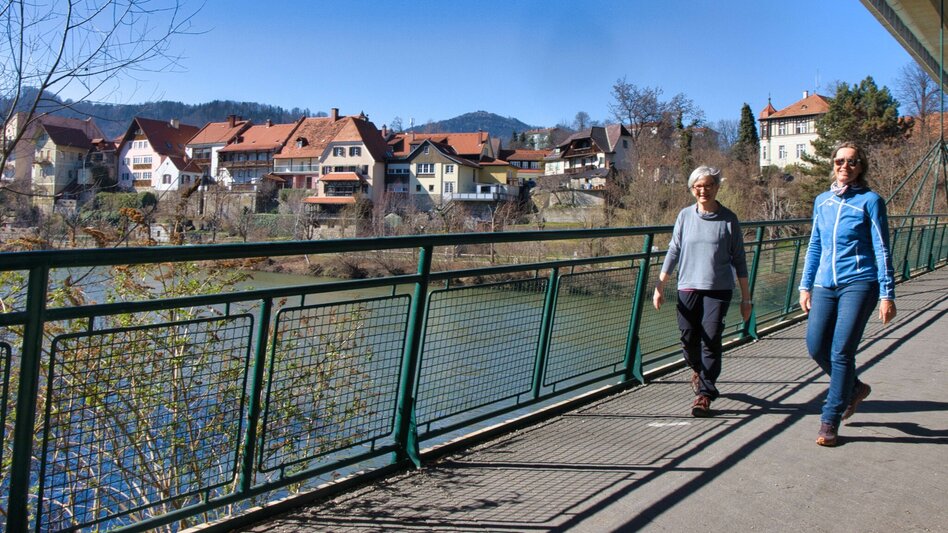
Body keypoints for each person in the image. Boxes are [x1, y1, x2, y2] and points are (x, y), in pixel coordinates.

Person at [799, 141, 896, 447]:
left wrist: (887, 294)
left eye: (851, 162)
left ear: (860, 167)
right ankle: (853, 388)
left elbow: (881, 249)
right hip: (825, 284)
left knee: (841, 351)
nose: (844, 166)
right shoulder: (822, 201)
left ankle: (830, 418)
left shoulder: (871, 201)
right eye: (840, 161)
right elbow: (815, 244)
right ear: (833, 163)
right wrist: (805, 285)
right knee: (816, 346)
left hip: (860, 282)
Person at [653, 166, 752, 417]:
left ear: (717, 187)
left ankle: (705, 394)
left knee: (711, 339)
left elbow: (739, 259)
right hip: (687, 285)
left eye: (708, 185)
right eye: (698, 186)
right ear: (692, 189)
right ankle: (697, 369)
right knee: (688, 337)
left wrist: (746, 298)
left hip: (718, 288)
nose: (703, 190)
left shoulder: (729, 219)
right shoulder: (685, 216)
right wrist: (660, 285)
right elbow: (674, 250)